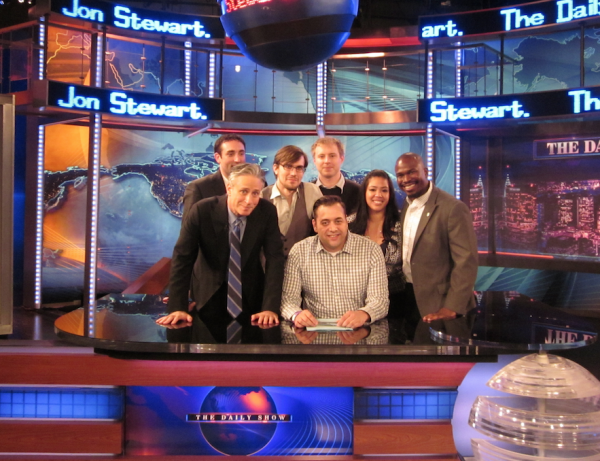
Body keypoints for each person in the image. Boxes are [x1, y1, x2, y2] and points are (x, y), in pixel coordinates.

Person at [157, 163, 285, 327]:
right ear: (229, 188)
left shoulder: (266, 211)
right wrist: (177, 307)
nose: (249, 200)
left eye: (255, 193)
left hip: (251, 299)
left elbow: (275, 259)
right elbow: (183, 258)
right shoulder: (202, 210)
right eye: (244, 191)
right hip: (206, 297)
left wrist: (270, 307)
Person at [281, 195, 389, 329]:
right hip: (314, 334)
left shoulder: (371, 250)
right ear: (315, 225)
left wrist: (364, 314)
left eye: (338, 221)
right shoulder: (299, 251)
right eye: (325, 222)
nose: (333, 228)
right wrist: (297, 314)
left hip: (359, 334)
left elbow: (380, 301)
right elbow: (288, 301)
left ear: (346, 221)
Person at [395, 153, 478, 323]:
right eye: (400, 175)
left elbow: (466, 261)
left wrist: (453, 307)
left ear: (425, 171)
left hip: (441, 305)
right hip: (410, 298)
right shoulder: (406, 205)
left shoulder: (452, 208)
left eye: (411, 172)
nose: (406, 179)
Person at [347, 170, 404, 317]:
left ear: (390, 194)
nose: (378, 195)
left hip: (397, 303)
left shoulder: (402, 225)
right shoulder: (348, 225)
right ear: (364, 192)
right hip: (355, 304)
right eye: (373, 189)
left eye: (384, 190)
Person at [261, 145, 322, 256]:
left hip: (302, 266)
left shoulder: (311, 191)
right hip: (268, 268)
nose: (293, 173)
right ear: (275, 168)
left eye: (299, 168)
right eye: (288, 167)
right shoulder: (261, 195)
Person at [182, 134, 246, 218]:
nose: (237, 159)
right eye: (230, 154)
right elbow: (189, 228)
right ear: (218, 157)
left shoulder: (257, 185)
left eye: (241, 153)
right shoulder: (198, 188)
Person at [311, 136, 360, 214]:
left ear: (342, 159)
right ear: (314, 161)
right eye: (321, 156)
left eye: (332, 156)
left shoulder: (358, 192)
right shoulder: (306, 193)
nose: (327, 161)